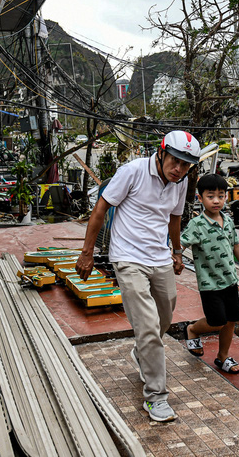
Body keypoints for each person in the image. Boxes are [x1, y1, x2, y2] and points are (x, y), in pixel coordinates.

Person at [75, 130, 201, 423]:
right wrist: (87, 252)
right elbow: (101, 208)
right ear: (161, 152)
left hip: (159, 258)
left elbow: (174, 218)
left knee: (164, 319)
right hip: (127, 258)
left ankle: (141, 353)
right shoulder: (131, 172)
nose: (179, 169)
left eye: (186, 165)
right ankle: (156, 397)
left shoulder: (179, 183)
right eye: (175, 161)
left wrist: (178, 251)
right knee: (147, 326)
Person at [180, 174, 239, 375]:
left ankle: (223, 357)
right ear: (200, 198)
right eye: (210, 196)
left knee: (231, 319)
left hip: (230, 281)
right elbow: (181, 244)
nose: (216, 201)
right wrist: (175, 258)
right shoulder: (197, 224)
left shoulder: (228, 220)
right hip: (209, 283)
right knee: (217, 321)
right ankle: (193, 330)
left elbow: (236, 246)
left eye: (221, 196)